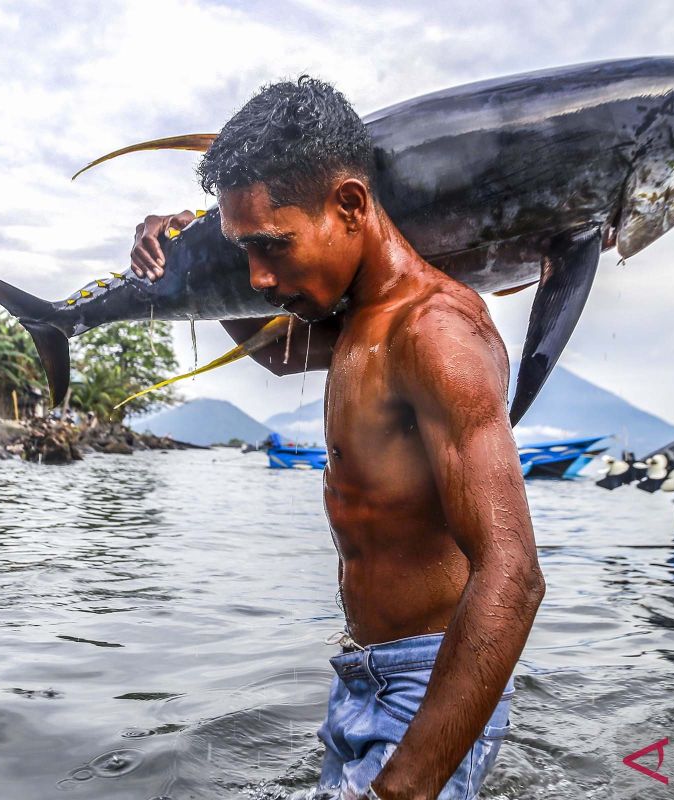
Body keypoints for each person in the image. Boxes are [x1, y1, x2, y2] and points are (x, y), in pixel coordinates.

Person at [129, 76, 545, 800]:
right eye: (242, 252)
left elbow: (514, 574)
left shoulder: (437, 333)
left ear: (350, 205)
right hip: (365, 675)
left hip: (428, 685)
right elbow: (271, 353)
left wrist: (407, 785)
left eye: (271, 246)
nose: (258, 276)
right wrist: (188, 255)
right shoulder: (360, 322)